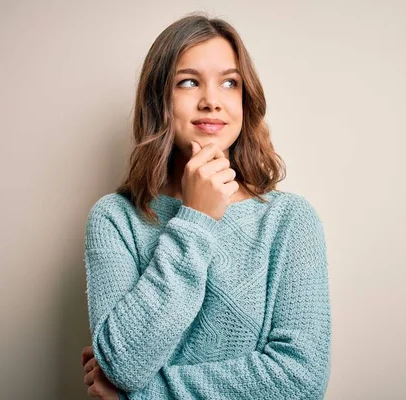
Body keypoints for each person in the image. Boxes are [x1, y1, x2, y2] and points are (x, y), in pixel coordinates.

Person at [81, 12, 331, 400]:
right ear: (158, 99)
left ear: (244, 100)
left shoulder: (289, 220)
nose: (212, 101)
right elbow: (124, 363)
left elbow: (299, 379)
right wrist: (195, 220)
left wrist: (141, 396)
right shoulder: (115, 219)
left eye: (229, 83)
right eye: (188, 82)